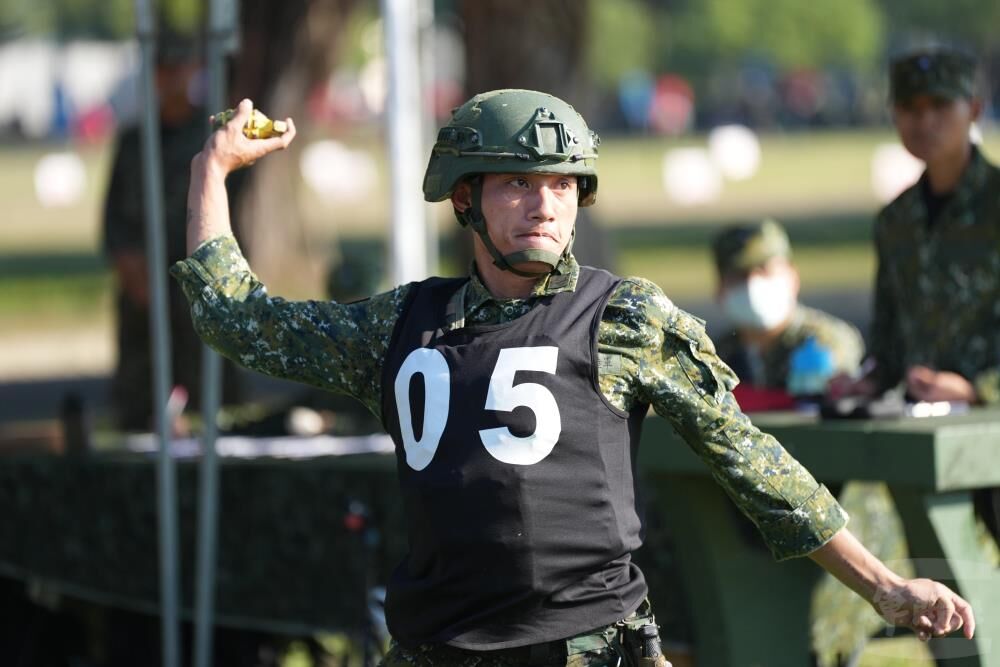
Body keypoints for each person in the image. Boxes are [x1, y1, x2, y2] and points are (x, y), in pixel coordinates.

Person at [171, 92, 975, 667]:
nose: (546, 204)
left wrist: (885, 587)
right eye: (519, 182)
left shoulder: (625, 317)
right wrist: (214, 166)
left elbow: (752, 461)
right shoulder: (398, 323)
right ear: (467, 199)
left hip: (594, 649)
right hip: (437, 649)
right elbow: (236, 318)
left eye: (563, 184)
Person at [102, 29, 242, 432]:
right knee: (142, 401)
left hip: (200, 285)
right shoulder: (135, 141)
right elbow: (114, 221)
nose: (174, 78)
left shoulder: (212, 138)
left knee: (210, 398)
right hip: (146, 291)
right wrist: (131, 269)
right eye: (165, 69)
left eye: (181, 67)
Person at [712, 219, 864, 409]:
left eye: (765, 270)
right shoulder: (716, 354)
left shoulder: (824, 340)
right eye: (739, 276)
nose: (753, 284)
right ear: (720, 289)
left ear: (793, 276)